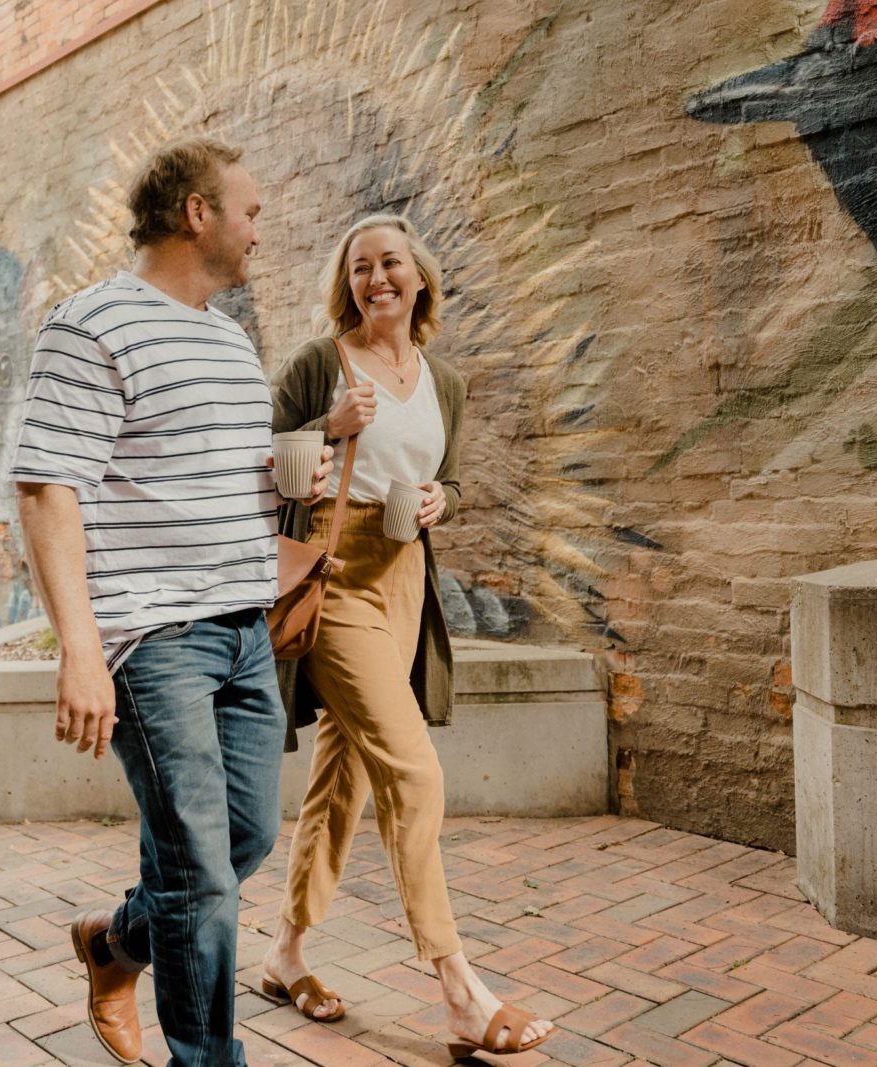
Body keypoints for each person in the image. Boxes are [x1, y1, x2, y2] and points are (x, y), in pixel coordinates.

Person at [11, 138, 329, 1067]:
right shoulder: (91, 325)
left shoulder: (230, 340)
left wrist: (297, 481)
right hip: (155, 639)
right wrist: (80, 647)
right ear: (198, 213)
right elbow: (48, 490)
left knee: (244, 838)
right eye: (250, 212)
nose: (258, 232)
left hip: (244, 629)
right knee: (200, 876)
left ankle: (115, 942)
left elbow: (223, 477)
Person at [261, 214, 554, 1058]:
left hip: (405, 575)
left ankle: (284, 953)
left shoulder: (442, 380)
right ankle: (458, 986)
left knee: (344, 772)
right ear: (346, 283)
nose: (375, 278)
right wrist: (329, 428)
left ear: (419, 277)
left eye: (390, 263)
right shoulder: (319, 363)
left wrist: (440, 502)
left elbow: (449, 478)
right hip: (334, 570)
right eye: (360, 267)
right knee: (414, 770)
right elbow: (263, 461)